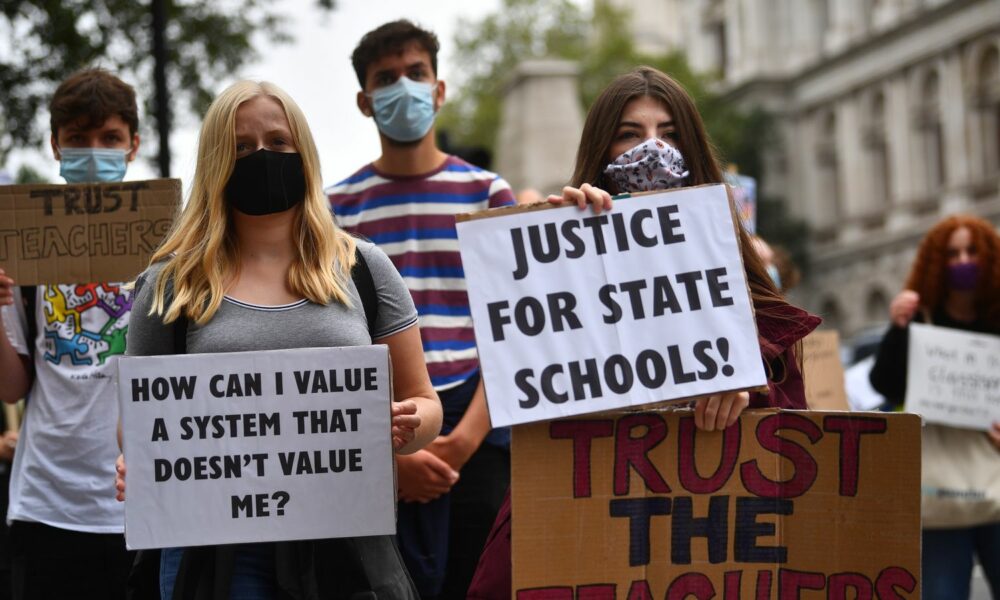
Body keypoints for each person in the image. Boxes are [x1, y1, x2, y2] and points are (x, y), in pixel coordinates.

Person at [465, 65, 822, 600]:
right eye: (631, 134)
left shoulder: (742, 279)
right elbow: (531, 379)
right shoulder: (565, 244)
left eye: (670, 133)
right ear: (602, 152)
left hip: (703, 534)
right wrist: (558, 257)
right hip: (589, 515)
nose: (653, 150)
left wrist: (748, 385)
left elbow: (795, 425)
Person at [117, 79, 443, 599]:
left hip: (346, 536)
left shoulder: (364, 268)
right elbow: (136, 425)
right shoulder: (169, 284)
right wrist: (140, 462)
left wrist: (407, 426)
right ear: (216, 161)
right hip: (217, 549)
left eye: (277, 142)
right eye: (241, 147)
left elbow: (424, 403)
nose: (261, 156)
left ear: (304, 154)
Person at [326, 20, 515, 600]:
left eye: (416, 73)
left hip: (479, 428)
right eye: (387, 78)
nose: (403, 86)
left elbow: (512, 330)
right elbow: (335, 339)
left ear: (439, 89)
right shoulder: (335, 210)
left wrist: (463, 439)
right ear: (365, 101)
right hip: (377, 428)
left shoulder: (489, 195)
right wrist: (393, 460)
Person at [0, 67, 140, 600]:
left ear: (133, 146)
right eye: (78, 139)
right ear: (55, 145)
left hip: (140, 501)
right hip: (47, 502)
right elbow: (12, 388)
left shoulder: (167, 252)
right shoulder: (24, 250)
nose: (93, 151)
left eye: (109, 138)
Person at [869, 214, 1000, 599]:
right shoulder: (919, 320)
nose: (962, 262)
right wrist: (897, 329)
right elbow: (885, 385)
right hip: (940, 498)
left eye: (971, 252)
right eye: (953, 253)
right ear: (936, 262)